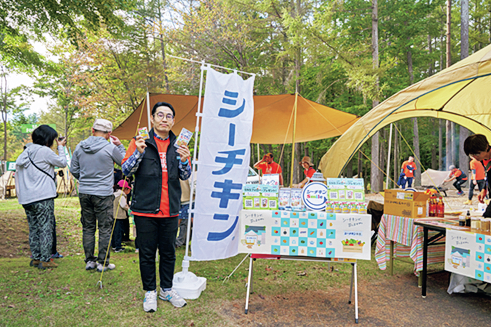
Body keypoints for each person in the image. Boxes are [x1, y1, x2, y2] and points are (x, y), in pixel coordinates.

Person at [122, 101, 191, 313]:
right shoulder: (140, 141)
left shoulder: (178, 144)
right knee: (147, 253)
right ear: (152, 119)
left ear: (172, 121)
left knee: (169, 252)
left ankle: (166, 289)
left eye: (169, 116)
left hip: (170, 209)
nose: (164, 119)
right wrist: (139, 153)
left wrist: (185, 161)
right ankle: (150, 291)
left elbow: (185, 175)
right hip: (144, 209)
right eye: (160, 115)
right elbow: (126, 169)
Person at [70, 119, 126, 272]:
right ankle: (103, 263)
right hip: (103, 194)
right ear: (109, 134)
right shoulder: (110, 148)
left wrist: (85, 179)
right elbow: (125, 163)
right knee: (105, 228)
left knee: (88, 227)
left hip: (85, 192)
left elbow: (73, 168)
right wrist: (120, 146)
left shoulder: (80, 147)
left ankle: (89, 261)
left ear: (92, 130)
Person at [15, 125, 67, 270]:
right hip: (43, 196)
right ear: (48, 139)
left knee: (33, 228)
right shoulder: (44, 151)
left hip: (27, 197)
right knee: (46, 228)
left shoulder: (26, 152)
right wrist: (61, 147)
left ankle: (36, 258)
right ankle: (46, 259)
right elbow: (62, 163)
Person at [464, 134, 491, 217]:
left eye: (477, 154)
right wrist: (484, 189)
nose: (475, 157)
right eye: (472, 155)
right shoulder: (483, 160)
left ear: (486, 147)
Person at [111, 180, 131, 252]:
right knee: (118, 232)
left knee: (114, 231)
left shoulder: (114, 194)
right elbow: (123, 205)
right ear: (124, 188)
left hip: (113, 216)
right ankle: (118, 247)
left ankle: (113, 245)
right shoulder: (121, 196)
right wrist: (129, 209)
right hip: (119, 216)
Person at [175, 179, 194, 248]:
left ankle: (180, 241)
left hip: (188, 199)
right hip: (183, 198)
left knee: (184, 221)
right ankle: (180, 241)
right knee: (183, 221)